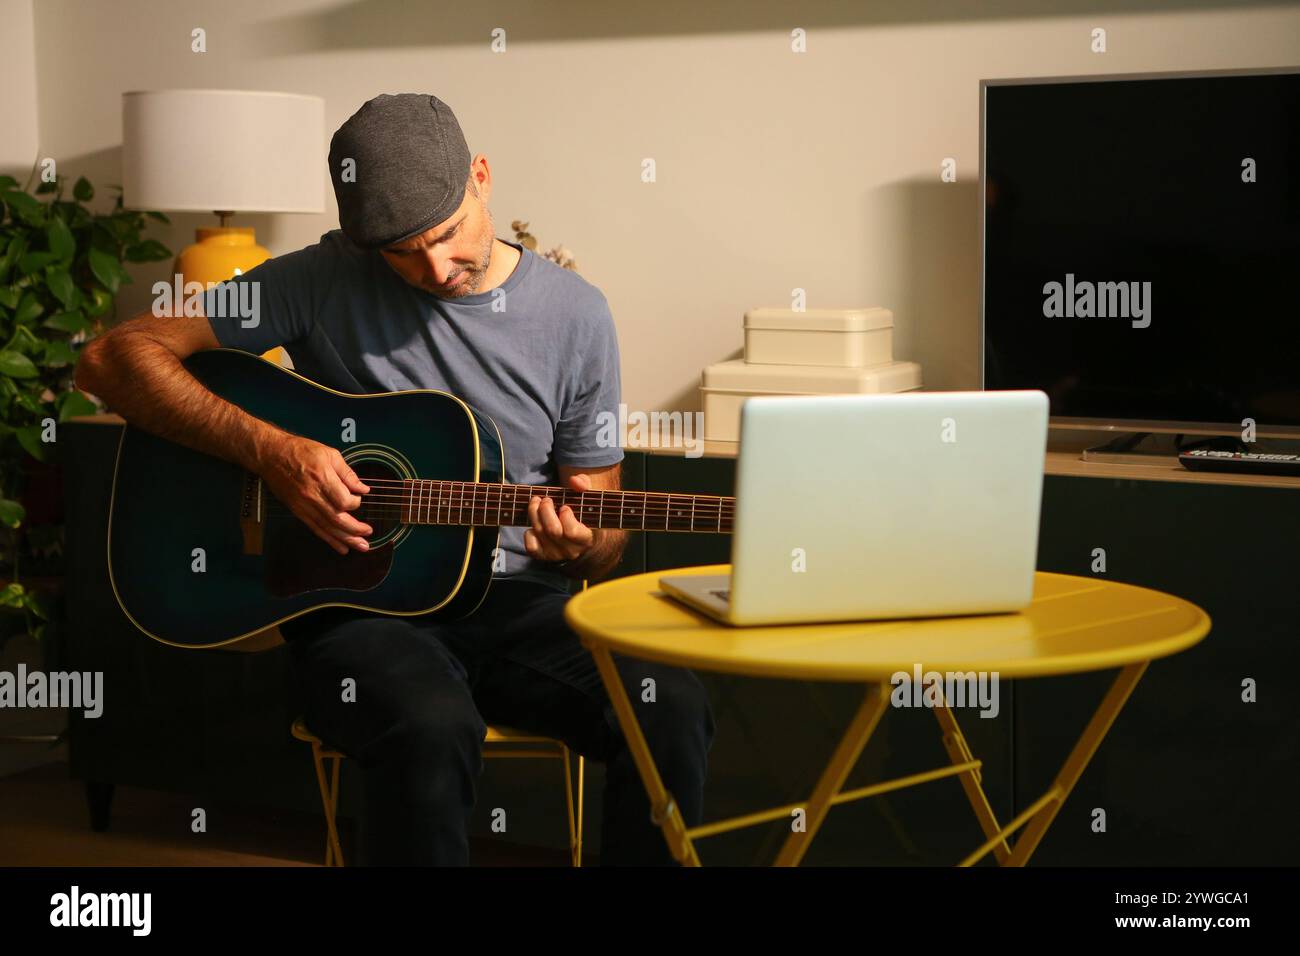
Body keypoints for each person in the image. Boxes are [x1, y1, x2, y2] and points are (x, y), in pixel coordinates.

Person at [76, 92, 715, 866]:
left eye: (447, 236)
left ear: (481, 178)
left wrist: (581, 546)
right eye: (401, 253)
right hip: (357, 609)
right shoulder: (315, 279)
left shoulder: (577, 316)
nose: (434, 269)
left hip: (517, 608)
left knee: (671, 702)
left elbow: (603, 523)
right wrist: (272, 451)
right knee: (428, 725)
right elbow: (112, 360)